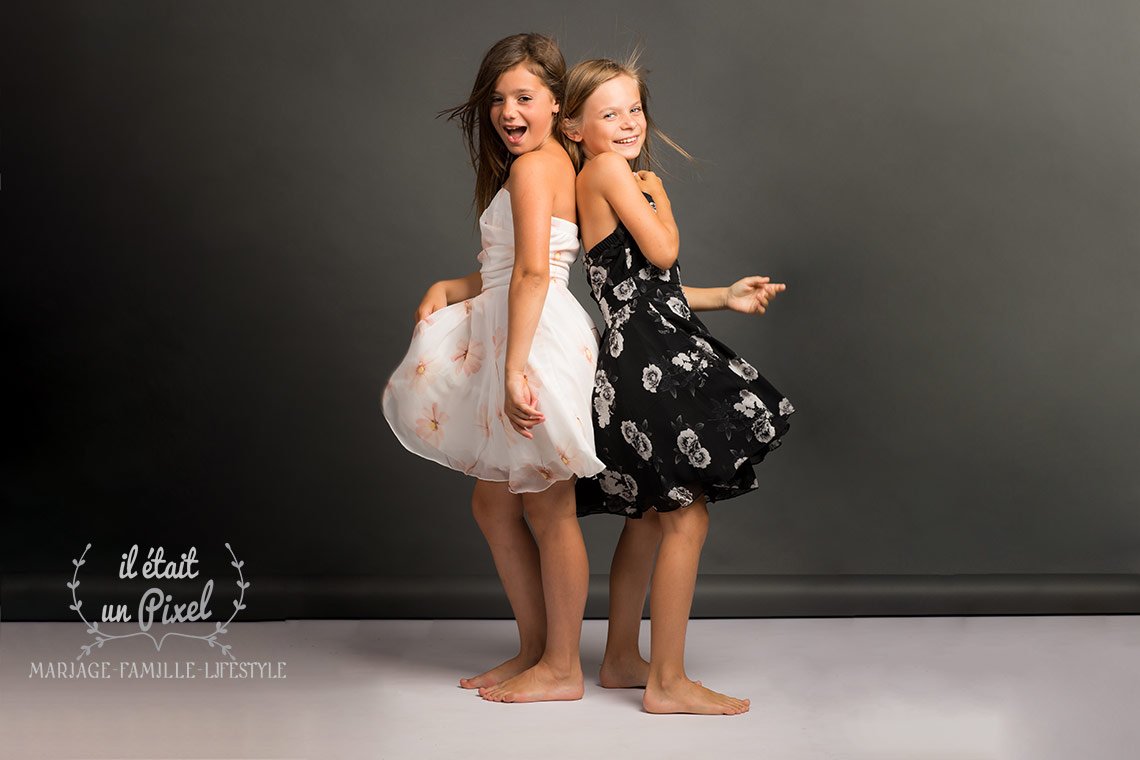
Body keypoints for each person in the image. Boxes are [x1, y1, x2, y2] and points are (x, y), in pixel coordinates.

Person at [562, 56, 794, 715]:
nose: (628, 122)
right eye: (609, 113)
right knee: (685, 515)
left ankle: (621, 658)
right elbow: (663, 253)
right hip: (647, 359)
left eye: (634, 109)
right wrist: (658, 195)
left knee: (647, 517)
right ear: (574, 128)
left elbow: (648, 289)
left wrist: (725, 295)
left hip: (643, 346)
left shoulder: (603, 177)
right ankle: (666, 681)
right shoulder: (610, 172)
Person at [382, 33, 603, 703]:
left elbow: (536, 272)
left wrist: (513, 370)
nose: (509, 112)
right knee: (495, 503)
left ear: (557, 103)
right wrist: (453, 287)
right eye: (498, 99)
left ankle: (562, 667)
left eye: (525, 97)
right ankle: (535, 649)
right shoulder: (539, 164)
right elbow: (509, 268)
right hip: (518, 322)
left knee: (548, 504)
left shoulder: (536, 167)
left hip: (533, 337)